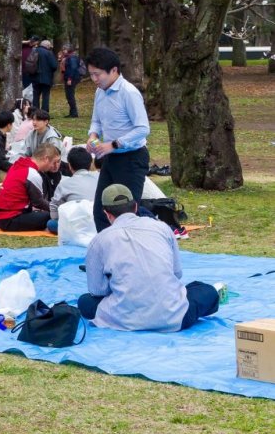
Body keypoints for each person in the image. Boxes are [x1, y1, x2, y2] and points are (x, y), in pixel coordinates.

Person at [79, 185, 220, 332]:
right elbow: (176, 273)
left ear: (106, 213)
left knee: (85, 302)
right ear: (135, 207)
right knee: (207, 291)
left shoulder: (99, 241)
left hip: (121, 318)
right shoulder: (162, 228)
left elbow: (97, 291)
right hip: (174, 316)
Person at [84, 47, 150, 232]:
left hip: (132, 158)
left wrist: (114, 144)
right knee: (101, 211)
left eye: (98, 74)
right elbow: (96, 121)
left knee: (126, 213)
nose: (94, 79)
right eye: (91, 74)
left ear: (113, 70)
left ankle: (133, 248)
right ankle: (107, 247)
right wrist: (93, 136)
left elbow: (143, 128)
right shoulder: (100, 92)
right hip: (110, 158)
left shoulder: (129, 92)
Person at [0, 145, 61, 232]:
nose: (54, 166)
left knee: (45, 213)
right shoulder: (32, 174)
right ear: (46, 159)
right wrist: (58, 209)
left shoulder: (20, 164)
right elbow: (38, 202)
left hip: (3, 217)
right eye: (54, 162)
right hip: (11, 219)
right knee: (52, 216)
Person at [47, 147, 98, 232]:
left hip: (74, 225)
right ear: (90, 165)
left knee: (51, 223)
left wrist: (57, 219)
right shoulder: (98, 180)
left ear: (70, 166)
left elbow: (54, 205)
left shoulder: (65, 184)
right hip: (96, 223)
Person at [31, 38, 58, 114]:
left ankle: (35, 112)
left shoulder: (34, 51)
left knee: (35, 96)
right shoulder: (49, 53)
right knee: (45, 96)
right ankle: (44, 113)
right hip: (46, 78)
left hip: (35, 77)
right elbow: (54, 66)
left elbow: (29, 64)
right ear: (47, 46)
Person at [60, 43, 85, 118]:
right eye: (63, 49)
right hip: (71, 77)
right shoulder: (68, 57)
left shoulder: (72, 57)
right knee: (69, 95)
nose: (63, 51)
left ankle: (74, 113)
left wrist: (69, 79)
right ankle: (72, 112)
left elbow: (73, 69)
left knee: (70, 95)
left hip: (72, 78)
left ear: (69, 50)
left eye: (65, 49)